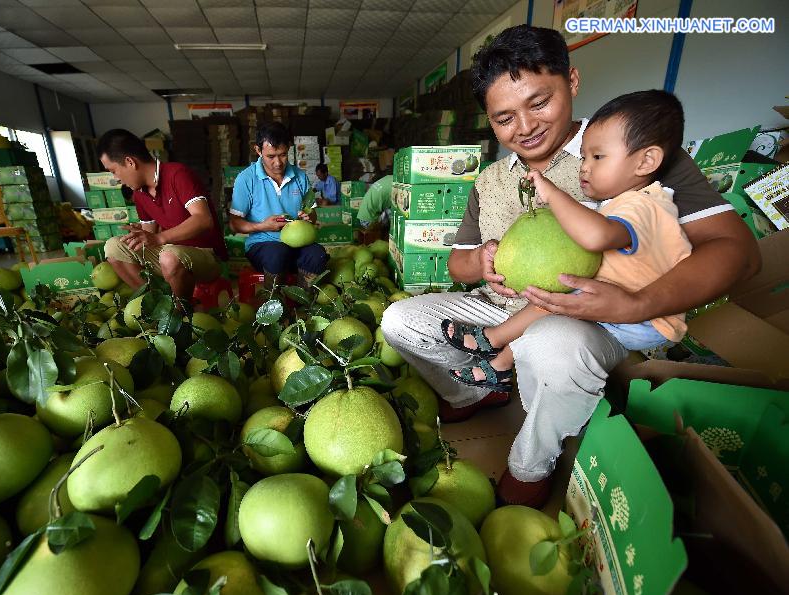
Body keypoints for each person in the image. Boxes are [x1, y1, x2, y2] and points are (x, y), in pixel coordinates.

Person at [380, 25, 760, 508]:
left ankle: (528, 467)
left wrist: (637, 302)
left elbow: (738, 252)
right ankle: (473, 394)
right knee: (400, 322)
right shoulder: (492, 179)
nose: (524, 127)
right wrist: (479, 262)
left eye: (539, 102)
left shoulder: (630, 153)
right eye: (504, 118)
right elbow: (457, 264)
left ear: (572, 82)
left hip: (594, 319)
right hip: (501, 309)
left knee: (551, 342)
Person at [446, 90, 692, 391]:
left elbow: (596, 236)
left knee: (555, 302)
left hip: (644, 321)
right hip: (630, 311)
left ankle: (494, 341)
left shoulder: (643, 205)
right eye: (585, 156)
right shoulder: (631, 201)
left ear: (646, 161)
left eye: (598, 157)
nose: (585, 167)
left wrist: (552, 194)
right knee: (553, 302)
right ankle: (500, 364)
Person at [99, 129, 227, 304]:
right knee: (113, 247)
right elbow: (149, 236)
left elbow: (203, 219)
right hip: (170, 253)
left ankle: (180, 313)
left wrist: (160, 237)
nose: (116, 178)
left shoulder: (177, 174)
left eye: (113, 170)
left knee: (169, 256)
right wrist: (140, 236)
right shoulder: (139, 193)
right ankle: (154, 303)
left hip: (206, 257)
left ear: (130, 162)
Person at [229, 122, 328, 290]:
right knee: (277, 253)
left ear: (289, 148)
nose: (278, 163)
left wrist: (308, 216)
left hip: (297, 244)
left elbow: (312, 213)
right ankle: (275, 307)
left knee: (317, 255)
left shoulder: (300, 177)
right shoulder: (245, 179)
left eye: (282, 155)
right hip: (263, 245)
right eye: (271, 156)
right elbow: (234, 223)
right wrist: (263, 226)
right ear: (258, 150)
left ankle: (303, 305)